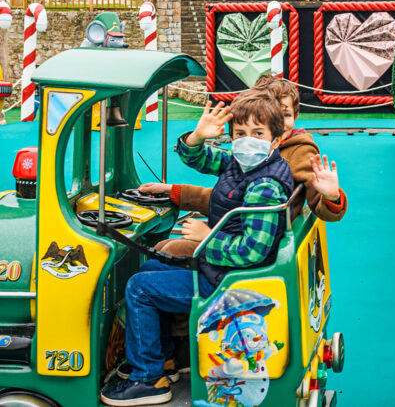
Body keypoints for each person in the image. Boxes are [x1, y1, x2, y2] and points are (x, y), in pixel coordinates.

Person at [101, 93, 295, 406]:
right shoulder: (243, 165)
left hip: (231, 280)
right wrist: (197, 136)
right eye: (240, 133)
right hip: (222, 269)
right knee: (150, 268)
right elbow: (200, 158)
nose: (247, 141)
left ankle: (148, 379)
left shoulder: (265, 185)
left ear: (276, 139)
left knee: (139, 288)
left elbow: (253, 251)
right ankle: (163, 359)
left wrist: (208, 237)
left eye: (258, 133)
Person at [147, 76, 347, 258]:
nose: (277, 122)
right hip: (236, 227)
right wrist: (196, 140)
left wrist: (332, 197)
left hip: (255, 238)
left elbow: (320, 207)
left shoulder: (298, 153)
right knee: (163, 247)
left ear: (295, 116)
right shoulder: (250, 150)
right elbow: (220, 180)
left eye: (285, 115)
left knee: (169, 252)